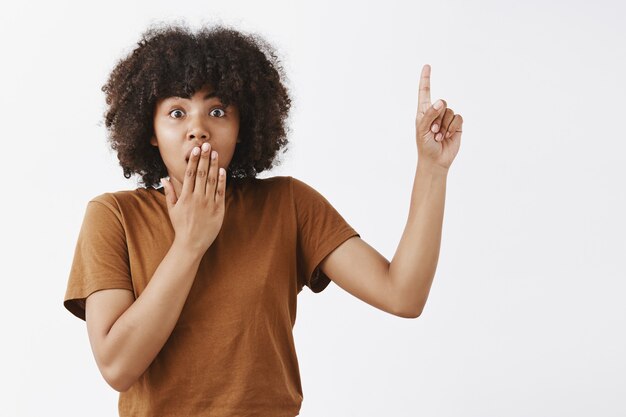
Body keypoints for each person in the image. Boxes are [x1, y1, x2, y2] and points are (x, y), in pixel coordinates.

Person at [63, 21, 463, 417]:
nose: (197, 130)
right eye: (177, 112)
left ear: (242, 126)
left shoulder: (288, 204)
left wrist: (432, 169)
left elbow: (403, 295)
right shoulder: (112, 216)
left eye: (217, 111)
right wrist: (189, 243)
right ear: (150, 130)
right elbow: (117, 367)